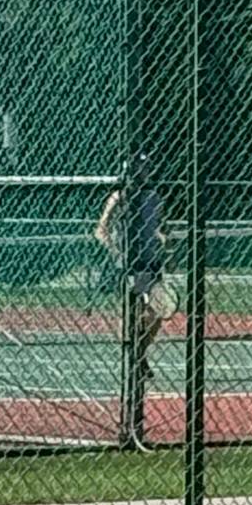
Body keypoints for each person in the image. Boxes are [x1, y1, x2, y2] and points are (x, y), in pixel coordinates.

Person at [94, 153, 165, 447]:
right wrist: (116, 254)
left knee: (158, 311)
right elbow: (101, 230)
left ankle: (140, 353)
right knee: (135, 312)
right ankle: (136, 356)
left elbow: (158, 228)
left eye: (147, 167)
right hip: (129, 264)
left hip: (151, 262)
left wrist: (162, 242)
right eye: (139, 168)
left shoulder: (154, 198)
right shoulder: (119, 198)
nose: (144, 172)